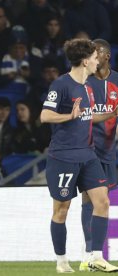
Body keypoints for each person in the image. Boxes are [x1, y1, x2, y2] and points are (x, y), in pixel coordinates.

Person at [40, 38, 118, 273]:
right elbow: (45, 116)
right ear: (86, 61)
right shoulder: (61, 85)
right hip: (63, 156)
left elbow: (87, 116)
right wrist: (68, 116)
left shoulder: (86, 87)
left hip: (88, 155)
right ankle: (61, 261)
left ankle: (95, 257)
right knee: (61, 210)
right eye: (95, 57)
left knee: (102, 201)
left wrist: (111, 114)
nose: (98, 61)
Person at [79, 39, 118, 272]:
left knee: (101, 202)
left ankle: (94, 255)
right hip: (88, 149)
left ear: (106, 55)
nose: (92, 58)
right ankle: (89, 254)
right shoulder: (84, 82)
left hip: (110, 151)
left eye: (95, 53)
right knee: (89, 199)